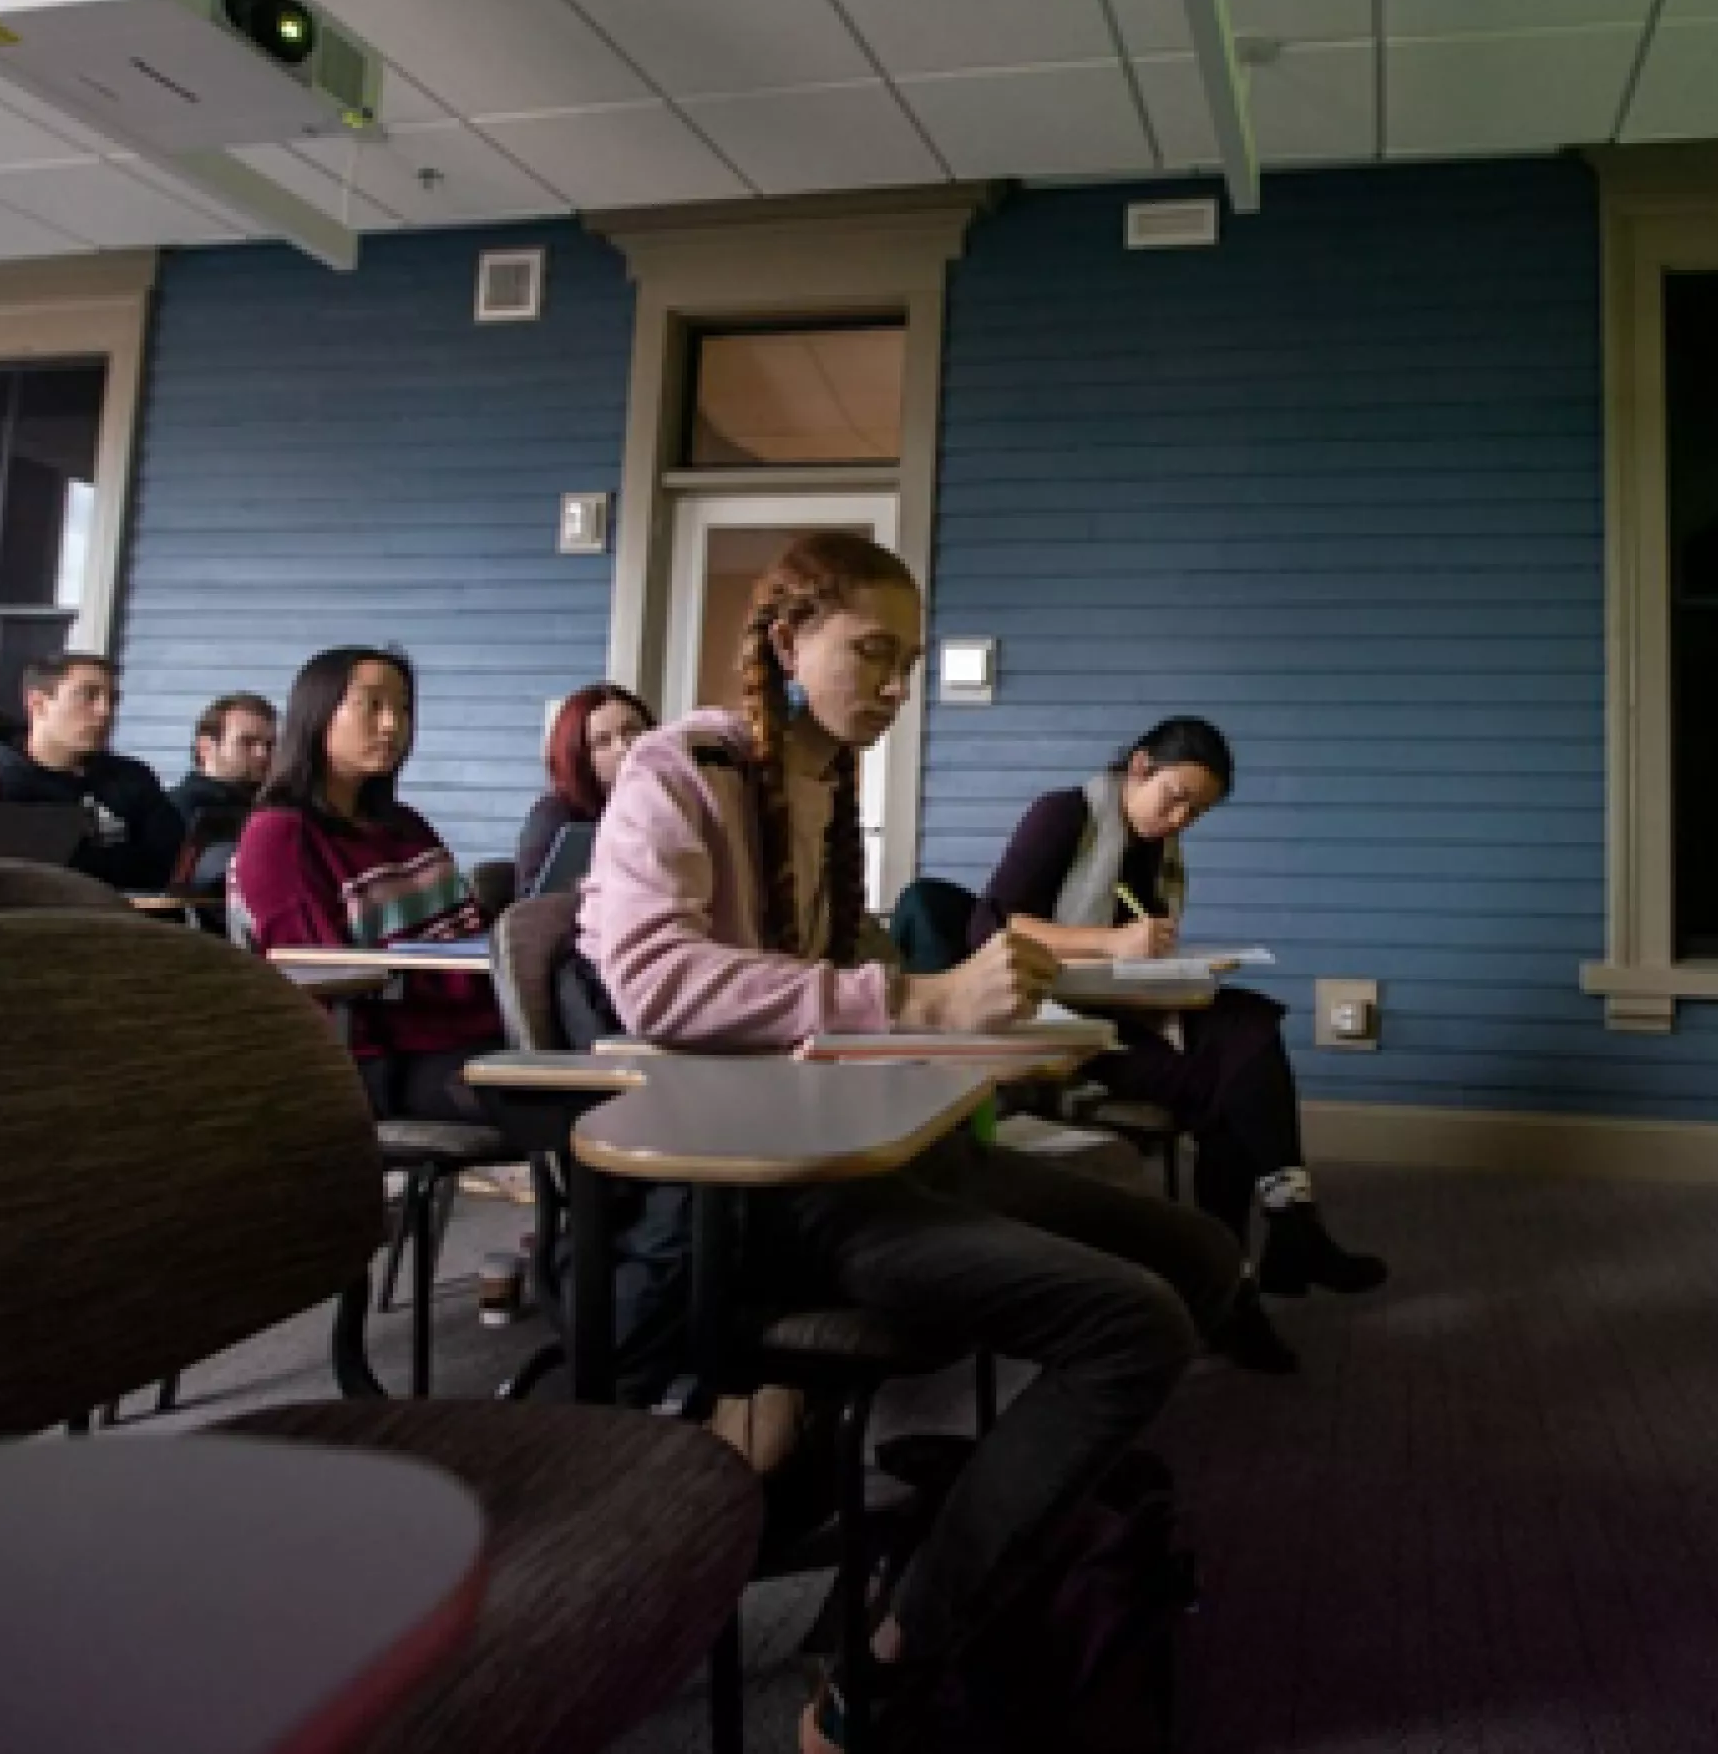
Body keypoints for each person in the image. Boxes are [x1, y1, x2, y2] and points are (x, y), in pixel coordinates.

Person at [566, 533, 1240, 1753]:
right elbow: (652, 979)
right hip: (777, 1192)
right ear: (786, 641)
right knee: (1131, 1321)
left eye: (908, 663)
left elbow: (841, 968)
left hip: (877, 1144)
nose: (892, 684)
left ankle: (995, 1532)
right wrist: (919, 1004)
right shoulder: (683, 766)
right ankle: (883, 1671)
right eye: (870, 652)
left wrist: (985, 1023)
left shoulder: (826, 794)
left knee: (1196, 1254)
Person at [971, 716, 1389, 1365]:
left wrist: (1163, 961)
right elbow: (991, 928)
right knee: (1231, 1084)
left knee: (1248, 1022)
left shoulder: (1155, 850)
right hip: (1058, 1020)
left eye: (1196, 811)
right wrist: (1111, 942)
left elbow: (1129, 954)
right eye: (1176, 797)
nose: (1181, 820)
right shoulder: (1064, 814)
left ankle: (1260, 1259)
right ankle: (1272, 1249)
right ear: (1139, 767)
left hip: (1125, 1008)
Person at [230, 647, 501, 1121]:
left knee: (617, 1080)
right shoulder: (280, 834)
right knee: (572, 1106)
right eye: (372, 705)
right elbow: (313, 976)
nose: (393, 725)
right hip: (372, 1058)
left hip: (470, 1030)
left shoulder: (406, 826)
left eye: (402, 708)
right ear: (318, 714)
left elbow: (464, 932)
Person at [0, 652, 186, 891]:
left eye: (112, 700)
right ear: (37, 703)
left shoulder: (133, 778)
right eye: (88, 696)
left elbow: (171, 862)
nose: (105, 711)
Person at [515, 681, 652, 888]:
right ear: (579, 758)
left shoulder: (671, 802)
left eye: (632, 731)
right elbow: (532, 911)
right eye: (602, 741)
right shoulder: (555, 815)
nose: (624, 748)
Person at [172, 691, 277, 822]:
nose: (262, 753)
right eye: (247, 742)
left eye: (270, 744)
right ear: (206, 747)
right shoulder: (179, 812)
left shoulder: (275, 804)